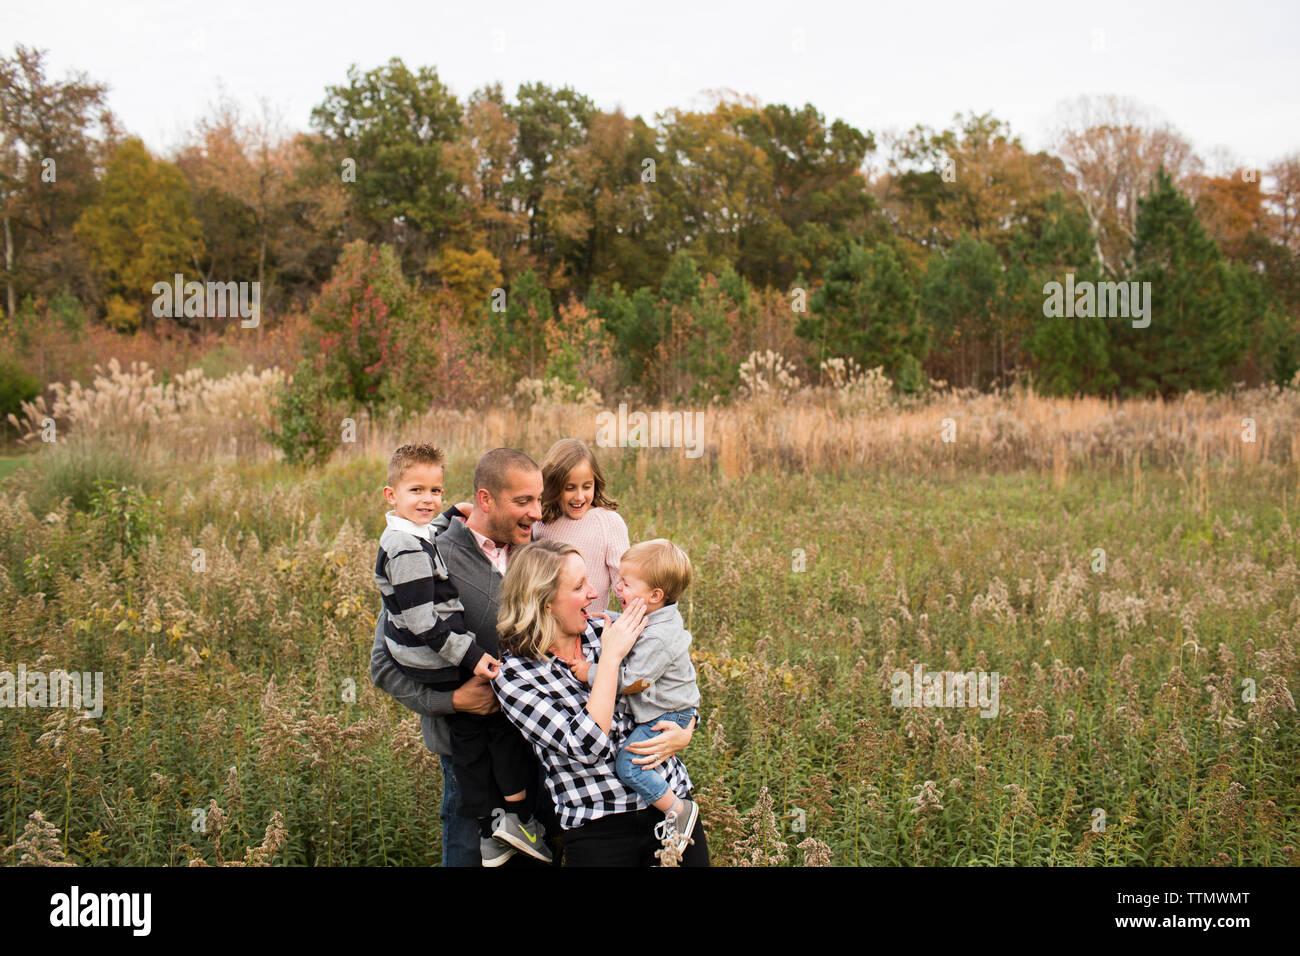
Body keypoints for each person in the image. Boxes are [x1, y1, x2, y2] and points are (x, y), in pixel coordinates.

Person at [373, 443, 550, 866]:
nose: (537, 513)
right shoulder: (424, 553)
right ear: (486, 499)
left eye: (539, 500)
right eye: (523, 501)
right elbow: (383, 665)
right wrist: (452, 700)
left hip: (540, 747)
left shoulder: (539, 555)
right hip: (468, 757)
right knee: (471, 855)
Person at [493, 539, 708, 866]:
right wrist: (609, 659)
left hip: (672, 810)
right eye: (580, 586)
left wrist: (688, 727)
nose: (594, 593)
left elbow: (675, 677)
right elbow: (586, 745)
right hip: (600, 829)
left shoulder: (606, 627)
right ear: (545, 601)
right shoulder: (515, 675)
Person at [569, 538, 701, 852]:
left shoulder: (659, 637)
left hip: (669, 713)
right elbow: (627, 625)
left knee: (629, 765)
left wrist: (589, 671)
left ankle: (677, 810)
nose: (617, 587)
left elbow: (632, 681)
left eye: (626, 584)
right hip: (671, 707)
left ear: (655, 595)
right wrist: (605, 618)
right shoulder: (655, 615)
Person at [533, 438, 629, 611]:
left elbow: (624, 584)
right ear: (554, 486)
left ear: (595, 484)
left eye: (586, 487)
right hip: (547, 623)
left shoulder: (609, 523)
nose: (579, 496)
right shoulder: (540, 522)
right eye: (570, 488)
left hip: (591, 623)